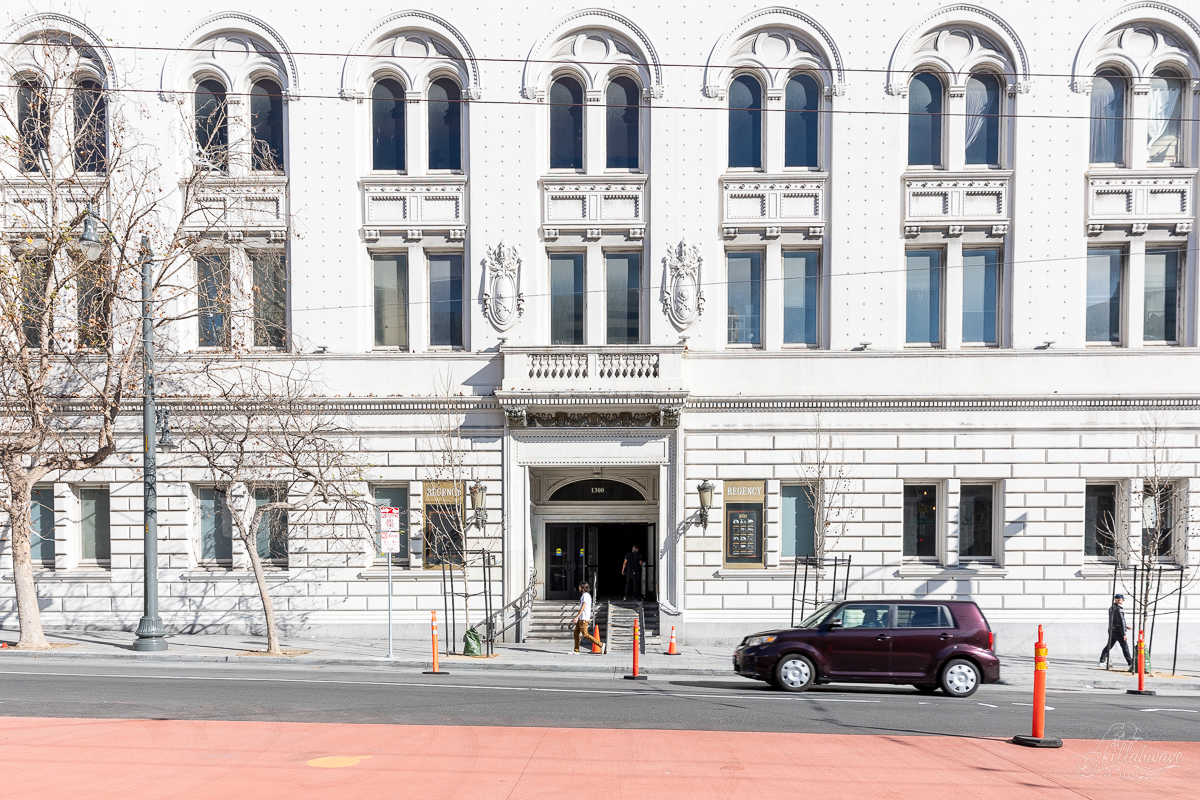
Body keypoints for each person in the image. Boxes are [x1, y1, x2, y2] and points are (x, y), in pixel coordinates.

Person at [1099, 593, 1133, 669]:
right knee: (1125, 647)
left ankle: (1102, 661)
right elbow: (1120, 621)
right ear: (1122, 600)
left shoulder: (1112, 607)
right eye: (1119, 600)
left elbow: (1115, 620)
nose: (1119, 601)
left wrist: (1126, 626)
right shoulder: (1118, 609)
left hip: (1112, 630)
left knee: (1109, 646)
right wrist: (1124, 633)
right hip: (1118, 631)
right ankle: (1130, 662)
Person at [571, 581, 605, 654]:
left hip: (583, 618)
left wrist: (576, 617)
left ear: (583, 587)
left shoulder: (585, 596)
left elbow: (583, 607)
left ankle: (601, 645)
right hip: (582, 618)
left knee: (585, 635)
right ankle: (576, 650)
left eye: (580, 586)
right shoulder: (586, 595)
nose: (578, 588)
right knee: (576, 633)